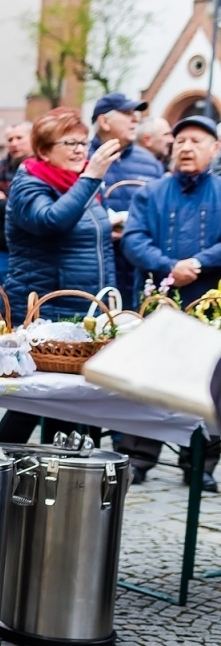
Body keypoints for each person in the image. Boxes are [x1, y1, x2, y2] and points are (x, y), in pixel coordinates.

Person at [0, 106, 122, 447]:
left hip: (81, 307)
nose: (80, 150)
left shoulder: (78, 183)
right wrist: (90, 178)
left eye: (83, 143)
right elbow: (50, 221)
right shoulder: (30, 185)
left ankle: (60, 470)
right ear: (44, 150)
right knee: (29, 402)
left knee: (67, 403)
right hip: (45, 308)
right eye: (70, 143)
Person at [121, 114, 221, 488]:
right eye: (180, 141)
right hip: (160, 300)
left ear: (215, 148)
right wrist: (168, 266)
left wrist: (199, 262)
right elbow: (133, 240)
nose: (187, 148)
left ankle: (200, 465)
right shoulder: (151, 193)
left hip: (210, 303)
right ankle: (139, 458)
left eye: (196, 141)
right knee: (149, 380)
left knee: (210, 385)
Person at [92, 92, 165, 307]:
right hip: (95, 268)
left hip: (138, 270)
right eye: (126, 114)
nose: (135, 119)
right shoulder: (82, 159)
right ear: (104, 122)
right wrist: (103, 227)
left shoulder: (150, 163)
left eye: (135, 114)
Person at [0, 122, 32, 285]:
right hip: (3, 246)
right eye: (10, 139)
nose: (14, 143)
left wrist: (7, 200)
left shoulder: (40, 168)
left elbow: (38, 209)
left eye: (19, 138)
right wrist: (23, 205)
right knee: (1, 294)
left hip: (33, 247)